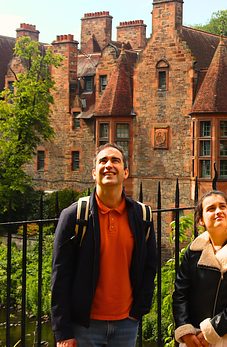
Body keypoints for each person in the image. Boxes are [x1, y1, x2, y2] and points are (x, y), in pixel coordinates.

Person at [51, 143, 158, 347]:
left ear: (126, 172)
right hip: (85, 325)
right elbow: (60, 276)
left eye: (115, 160)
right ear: (93, 173)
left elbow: (149, 267)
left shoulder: (142, 216)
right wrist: (63, 332)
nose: (109, 165)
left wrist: (139, 310)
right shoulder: (73, 216)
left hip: (126, 323)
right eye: (103, 161)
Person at [172, 190, 227, 347]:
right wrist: (185, 330)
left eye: (222, 207)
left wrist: (212, 331)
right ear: (200, 220)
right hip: (194, 339)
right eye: (211, 208)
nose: (218, 211)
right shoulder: (193, 252)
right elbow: (180, 294)